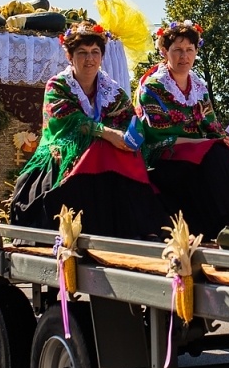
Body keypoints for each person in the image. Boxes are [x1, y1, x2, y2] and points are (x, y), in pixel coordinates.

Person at [10, 21, 167, 239]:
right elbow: (69, 121)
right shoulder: (57, 86)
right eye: (82, 52)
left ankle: (140, 226)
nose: (89, 59)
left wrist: (127, 135)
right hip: (63, 154)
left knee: (122, 152)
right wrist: (107, 133)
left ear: (102, 56)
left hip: (106, 156)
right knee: (100, 148)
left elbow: (127, 119)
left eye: (95, 52)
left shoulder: (112, 90)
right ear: (69, 56)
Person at [135, 22, 229, 240]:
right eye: (178, 50)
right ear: (165, 52)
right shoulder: (153, 87)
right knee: (215, 153)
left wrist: (222, 138)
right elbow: (158, 137)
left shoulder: (198, 87)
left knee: (226, 152)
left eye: (189, 50)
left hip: (197, 154)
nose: (184, 56)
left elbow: (211, 125)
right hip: (165, 159)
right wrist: (204, 143)